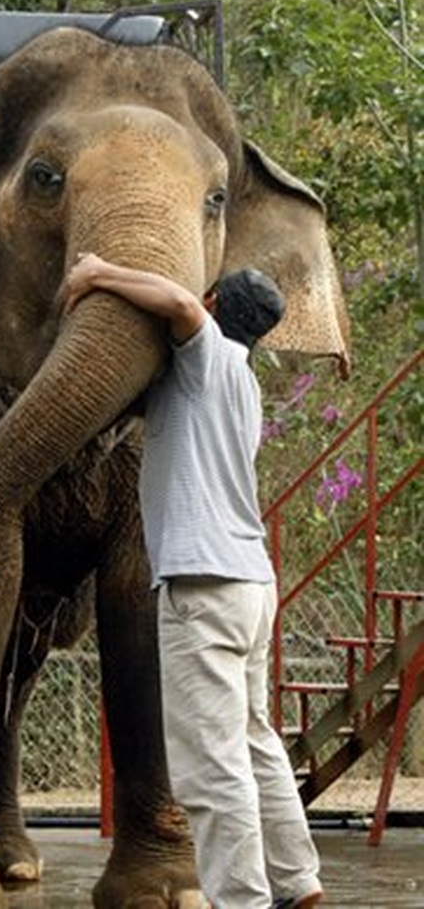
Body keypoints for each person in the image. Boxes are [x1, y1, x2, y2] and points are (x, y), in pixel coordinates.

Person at [63, 253, 322, 909]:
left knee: (211, 764)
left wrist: (98, 273)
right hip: (251, 585)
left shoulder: (208, 360)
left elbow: (175, 308)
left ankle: (242, 899)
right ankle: (299, 880)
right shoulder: (242, 385)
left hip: (203, 584)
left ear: (211, 305)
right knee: (257, 742)